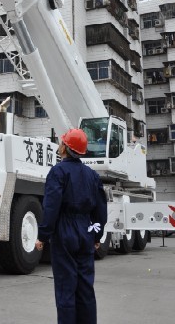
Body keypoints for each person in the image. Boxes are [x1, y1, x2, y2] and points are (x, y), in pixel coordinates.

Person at [35, 129, 107, 324]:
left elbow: (51, 206)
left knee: (66, 287)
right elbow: (101, 208)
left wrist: (42, 235)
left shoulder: (58, 171)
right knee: (85, 288)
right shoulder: (92, 175)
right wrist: (97, 236)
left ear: (65, 147)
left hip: (64, 231)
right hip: (86, 230)